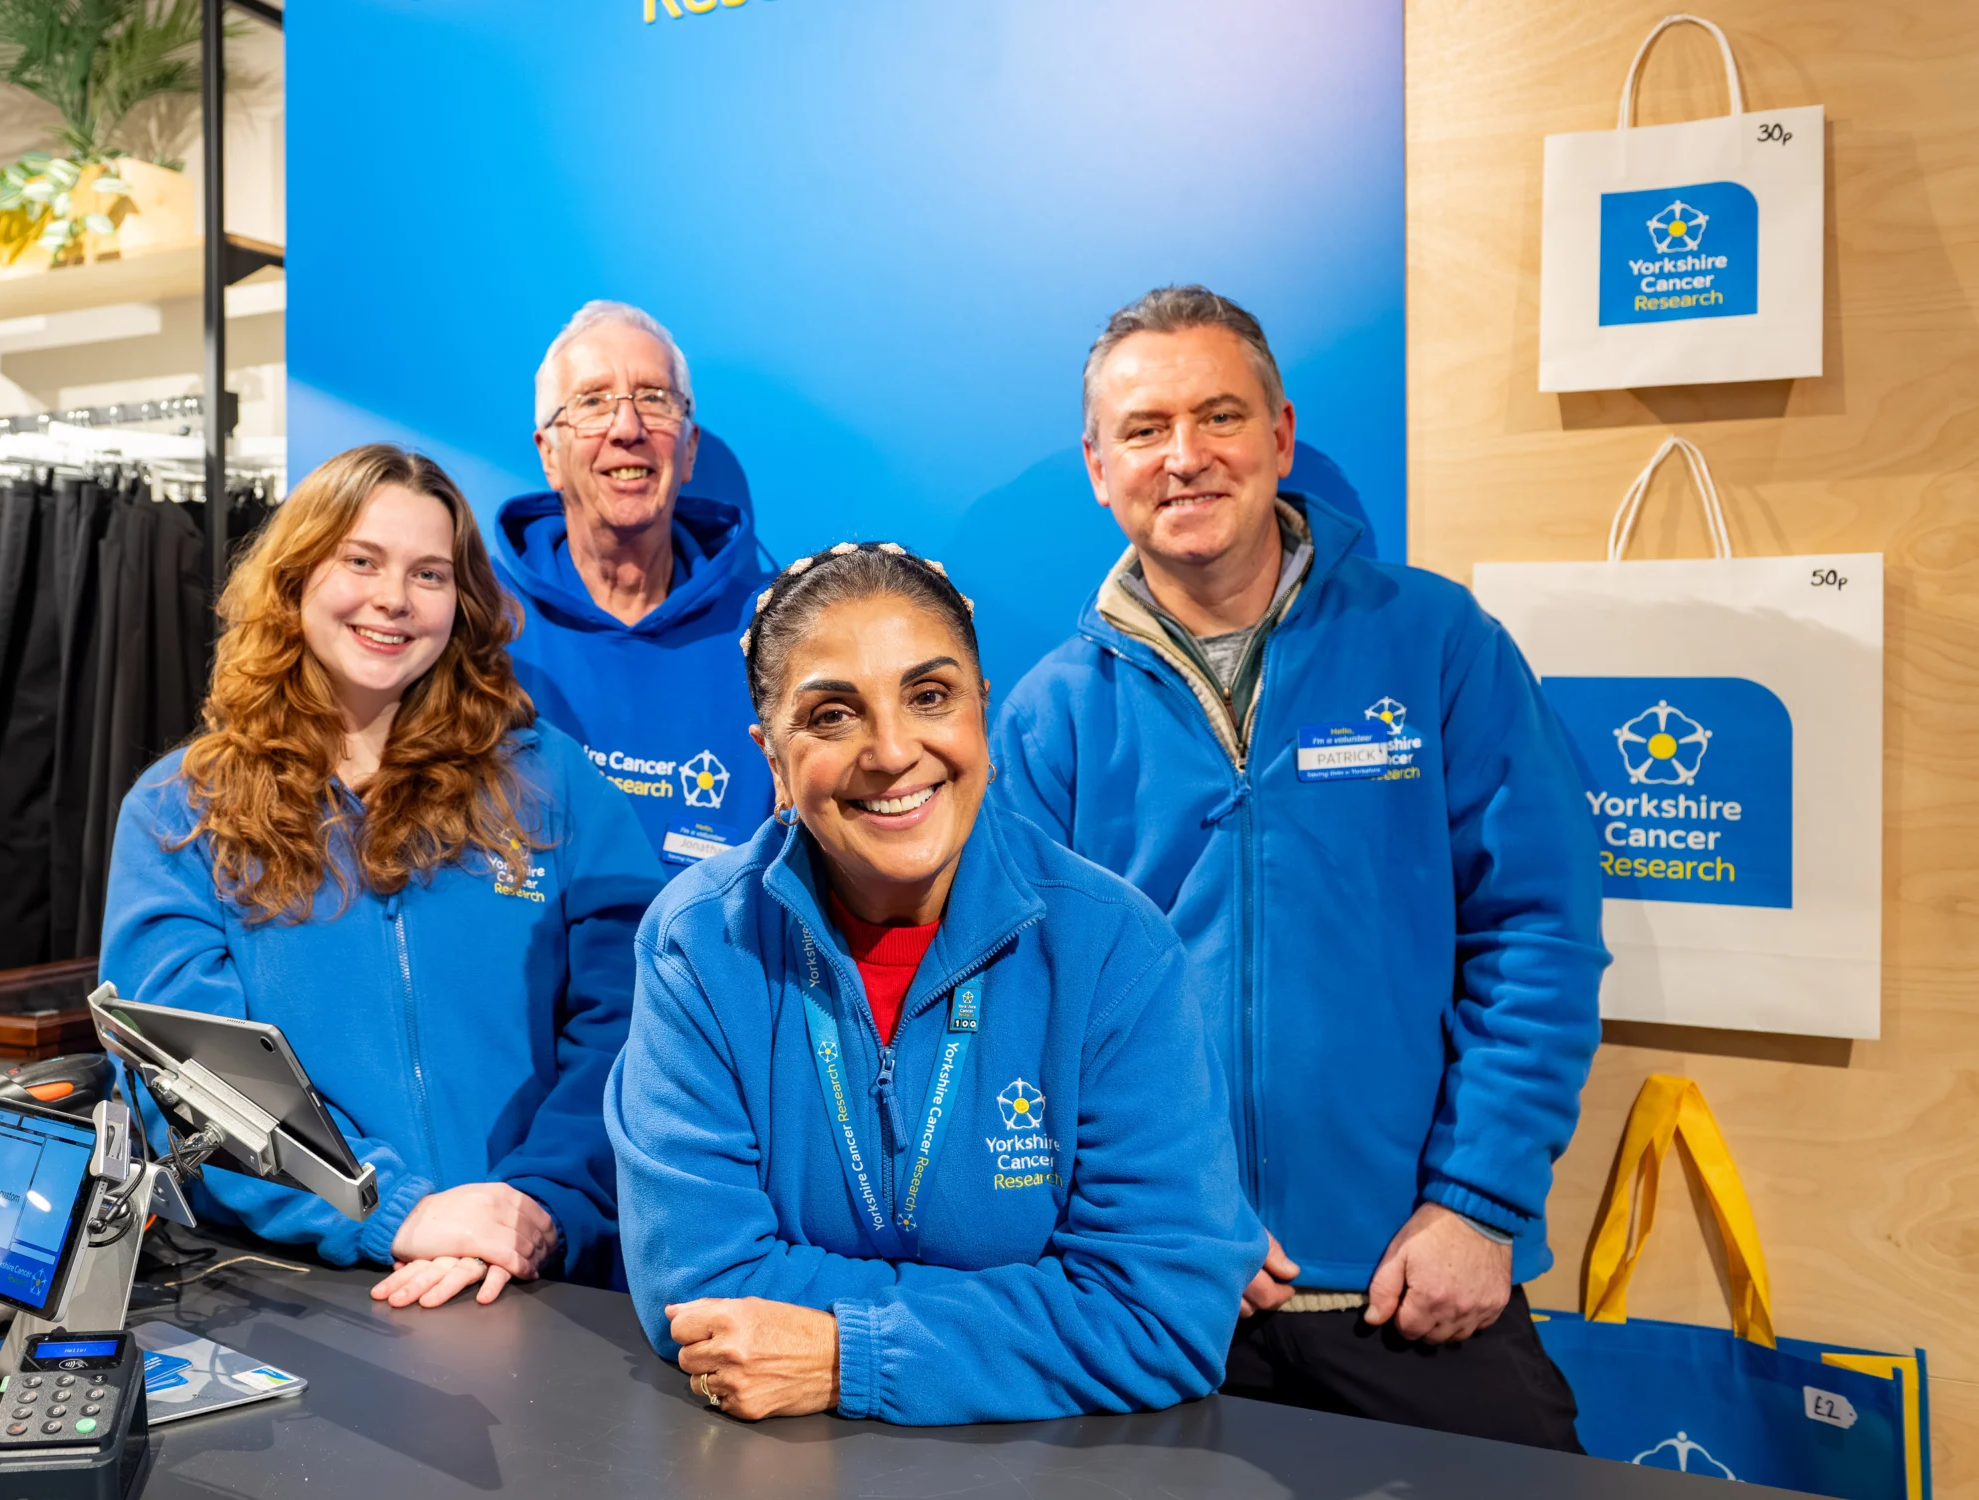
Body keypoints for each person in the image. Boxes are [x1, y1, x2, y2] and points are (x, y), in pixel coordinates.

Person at [992, 285, 1606, 1449]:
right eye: (1143, 429)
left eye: (1218, 417)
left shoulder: (1435, 645)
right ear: (1096, 465)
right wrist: (1155, 1220)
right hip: (1161, 1300)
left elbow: (1535, 935)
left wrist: (1478, 1203)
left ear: (1278, 436)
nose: (1183, 458)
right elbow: (1027, 1012)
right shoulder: (1047, 720)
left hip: (1411, 1289)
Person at [608, 541, 1263, 1424]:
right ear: (771, 757)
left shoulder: (1112, 948)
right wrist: (1035, 1312)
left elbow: (1161, 1314)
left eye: (929, 696)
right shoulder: (698, 944)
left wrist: (855, 1353)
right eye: (833, 716)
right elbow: (702, 1284)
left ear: (981, 711)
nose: (890, 751)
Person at [102, 444, 665, 1306]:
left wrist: (535, 1204)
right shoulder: (179, 814)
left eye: (429, 574)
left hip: (548, 1282)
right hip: (301, 1299)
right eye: (359, 561)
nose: (393, 599)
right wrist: (393, 1210)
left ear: (462, 601)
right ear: (294, 580)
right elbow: (186, 1077)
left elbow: (635, 1027)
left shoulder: (553, 783)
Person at [495, 301, 776, 875]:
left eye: (653, 398)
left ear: (689, 447)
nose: (627, 429)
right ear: (549, 454)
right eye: (593, 402)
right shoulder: (478, 623)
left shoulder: (772, 631)